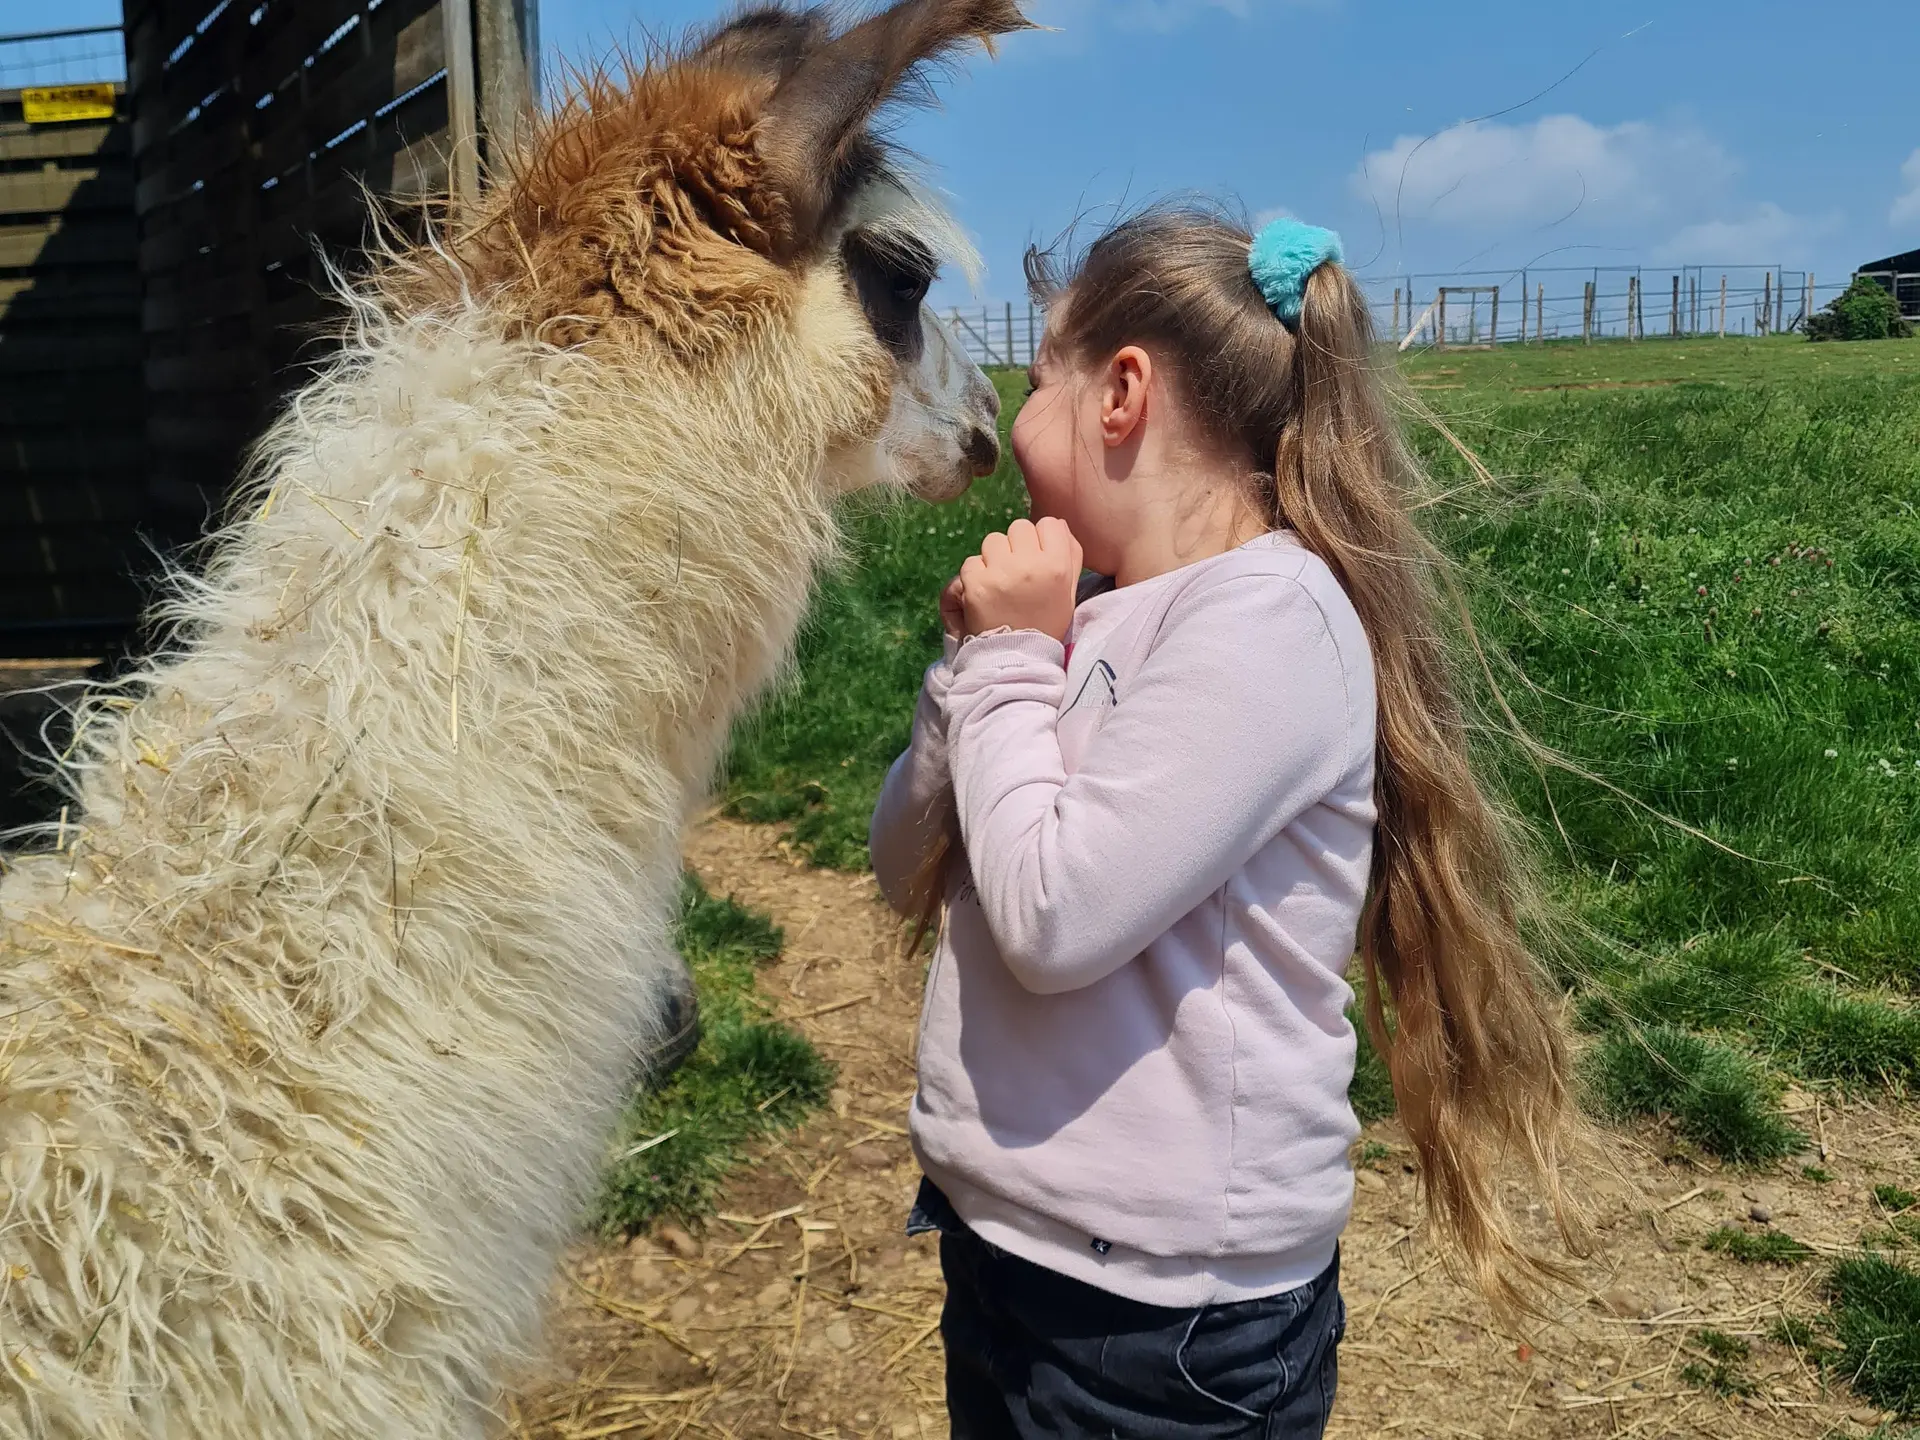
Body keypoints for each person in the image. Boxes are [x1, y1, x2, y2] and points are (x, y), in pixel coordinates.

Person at [869, 206, 1588, 1439]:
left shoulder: (1271, 621)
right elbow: (902, 866)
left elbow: (1053, 918)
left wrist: (1006, 663)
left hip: (1166, 1325)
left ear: (1121, 394)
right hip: (1008, 1248)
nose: (1013, 417)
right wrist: (974, 671)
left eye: (1038, 380)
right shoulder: (1085, 618)